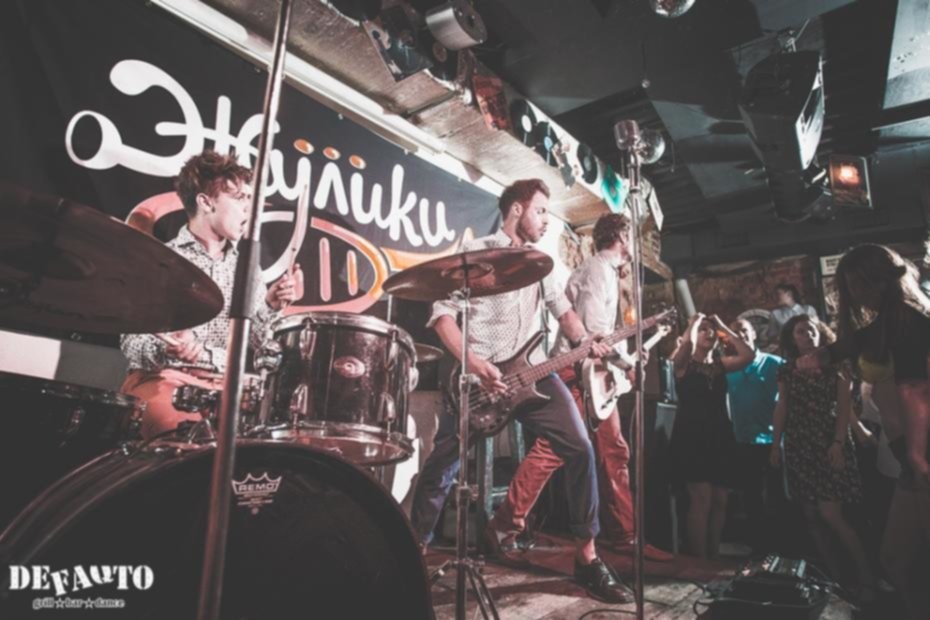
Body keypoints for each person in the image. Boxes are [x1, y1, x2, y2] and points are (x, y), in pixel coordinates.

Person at [408, 179, 628, 603]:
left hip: (533, 373)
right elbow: (442, 318)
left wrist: (586, 341)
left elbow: (564, 313)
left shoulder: (541, 263)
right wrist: (474, 363)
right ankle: (413, 549)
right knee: (442, 465)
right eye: (541, 211)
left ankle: (587, 557)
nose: (546, 220)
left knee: (580, 448)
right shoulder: (474, 256)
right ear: (516, 210)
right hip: (480, 379)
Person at [485, 213, 673, 565]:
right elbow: (592, 334)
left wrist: (628, 358)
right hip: (577, 372)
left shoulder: (606, 272)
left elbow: (602, 337)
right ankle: (504, 526)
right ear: (621, 236)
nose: (637, 246)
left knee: (614, 452)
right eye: (633, 237)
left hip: (593, 375)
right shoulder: (598, 270)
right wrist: (627, 364)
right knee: (554, 450)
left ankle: (625, 535)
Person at [120, 150, 304, 439]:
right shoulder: (161, 260)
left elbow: (258, 344)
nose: (249, 209)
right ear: (205, 202)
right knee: (187, 434)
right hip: (164, 378)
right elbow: (130, 344)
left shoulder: (247, 267)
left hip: (225, 385)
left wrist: (271, 305)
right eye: (240, 198)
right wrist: (165, 348)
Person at [799, 244, 930, 618]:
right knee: (895, 559)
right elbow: (850, 344)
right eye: (849, 286)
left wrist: (917, 455)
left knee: (907, 559)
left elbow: (916, 390)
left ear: (879, 281)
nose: (854, 294)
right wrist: (818, 356)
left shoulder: (909, 323)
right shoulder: (887, 324)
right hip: (908, 451)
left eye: (857, 285)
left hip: (921, 450)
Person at [770, 314, 875, 601]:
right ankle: (837, 581)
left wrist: (838, 443)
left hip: (828, 441)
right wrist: (775, 444)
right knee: (812, 517)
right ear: (792, 338)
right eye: (801, 331)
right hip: (799, 444)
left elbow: (844, 407)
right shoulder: (787, 369)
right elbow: (782, 406)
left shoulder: (837, 365)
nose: (808, 335)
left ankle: (867, 579)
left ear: (822, 334)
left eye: (812, 330)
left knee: (832, 515)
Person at [670, 313, 754, 558]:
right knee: (702, 499)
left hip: (719, 434)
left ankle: (713, 555)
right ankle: (699, 561)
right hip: (693, 436)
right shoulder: (683, 364)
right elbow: (685, 349)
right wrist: (694, 323)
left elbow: (749, 355)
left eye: (711, 330)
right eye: (703, 329)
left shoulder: (720, 365)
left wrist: (723, 325)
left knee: (720, 500)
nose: (709, 333)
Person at [725, 319, 785, 553]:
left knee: (775, 498)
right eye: (735, 331)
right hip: (742, 441)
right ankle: (758, 550)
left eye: (744, 330)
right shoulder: (730, 367)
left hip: (771, 442)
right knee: (751, 498)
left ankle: (778, 550)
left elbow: (785, 403)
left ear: (753, 334)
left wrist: (778, 442)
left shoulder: (775, 364)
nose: (740, 334)